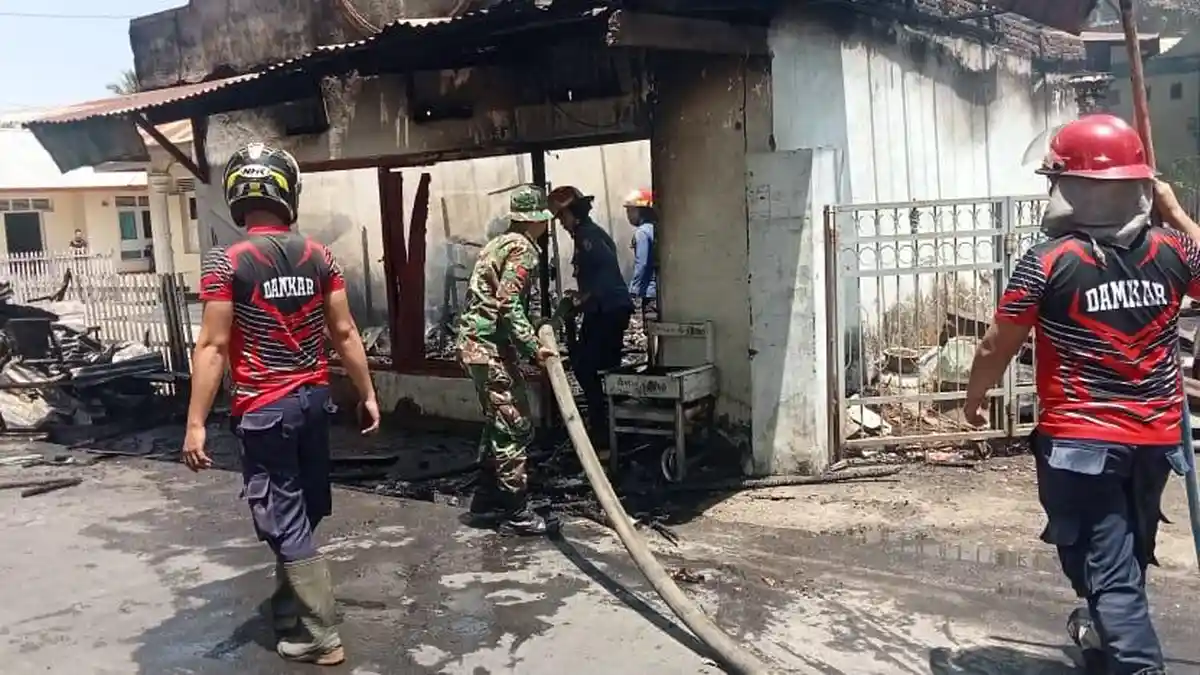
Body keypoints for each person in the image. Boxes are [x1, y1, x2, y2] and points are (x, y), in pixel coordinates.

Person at [963, 114, 1193, 675]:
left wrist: (973, 399)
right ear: (1137, 186)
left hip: (1080, 443)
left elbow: (997, 343)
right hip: (1157, 438)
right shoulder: (1175, 252)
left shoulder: (1046, 262)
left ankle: (1138, 664)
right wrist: (1174, 210)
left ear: (1069, 190)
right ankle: (1104, 636)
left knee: (1099, 561)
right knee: (1127, 550)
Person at [182, 142, 380, 667]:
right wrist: (367, 392)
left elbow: (214, 346)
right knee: (304, 504)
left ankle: (320, 635)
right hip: (314, 401)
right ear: (287, 191)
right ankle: (290, 605)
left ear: (237, 197)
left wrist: (195, 422)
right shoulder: (320, 256)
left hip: (265, 408)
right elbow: (344, 330)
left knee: (281, 509)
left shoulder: (227, 262)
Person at [457, 184, 558, 536]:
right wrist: (534, 347)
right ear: (537, 221)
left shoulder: (497, 243)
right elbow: (508, 302)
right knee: (513, 425)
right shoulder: (523, 249)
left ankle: (485, 502)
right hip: (488, 348)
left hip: (478, 345)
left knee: (498, 422)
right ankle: (517, 511)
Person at [548, 185, 635, 453]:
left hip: (607, 309)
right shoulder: (586, 235)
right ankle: (607, 427)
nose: (561, 224)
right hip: (604, 309)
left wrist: (581, 299)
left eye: (562, 217)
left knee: (587, 367)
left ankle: (602, 429)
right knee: (596, 367)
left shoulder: (588, 237)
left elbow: (605, 278)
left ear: (573, 213)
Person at [623, 188, 658, 320]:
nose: (628, 215)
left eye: (630, 211)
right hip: (661, 291)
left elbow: (641, 264)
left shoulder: (642, 233)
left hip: (649, 293)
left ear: (641, 211)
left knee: (651, 331)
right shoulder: (656, 228)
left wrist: (632, 292)